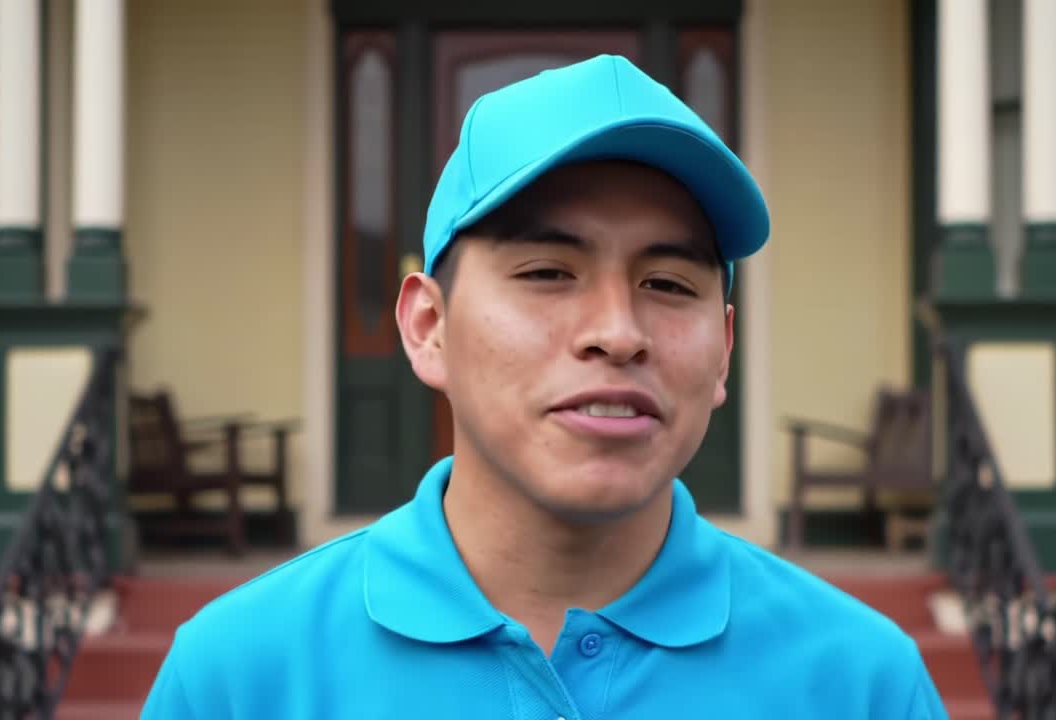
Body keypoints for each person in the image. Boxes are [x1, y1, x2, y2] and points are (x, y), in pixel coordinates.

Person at [141, 54, 949, 719]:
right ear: (428, 327)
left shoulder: (862, 683)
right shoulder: (240, 677)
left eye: (668, 284)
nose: (619, 331)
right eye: (547, 272)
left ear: (725, 349)